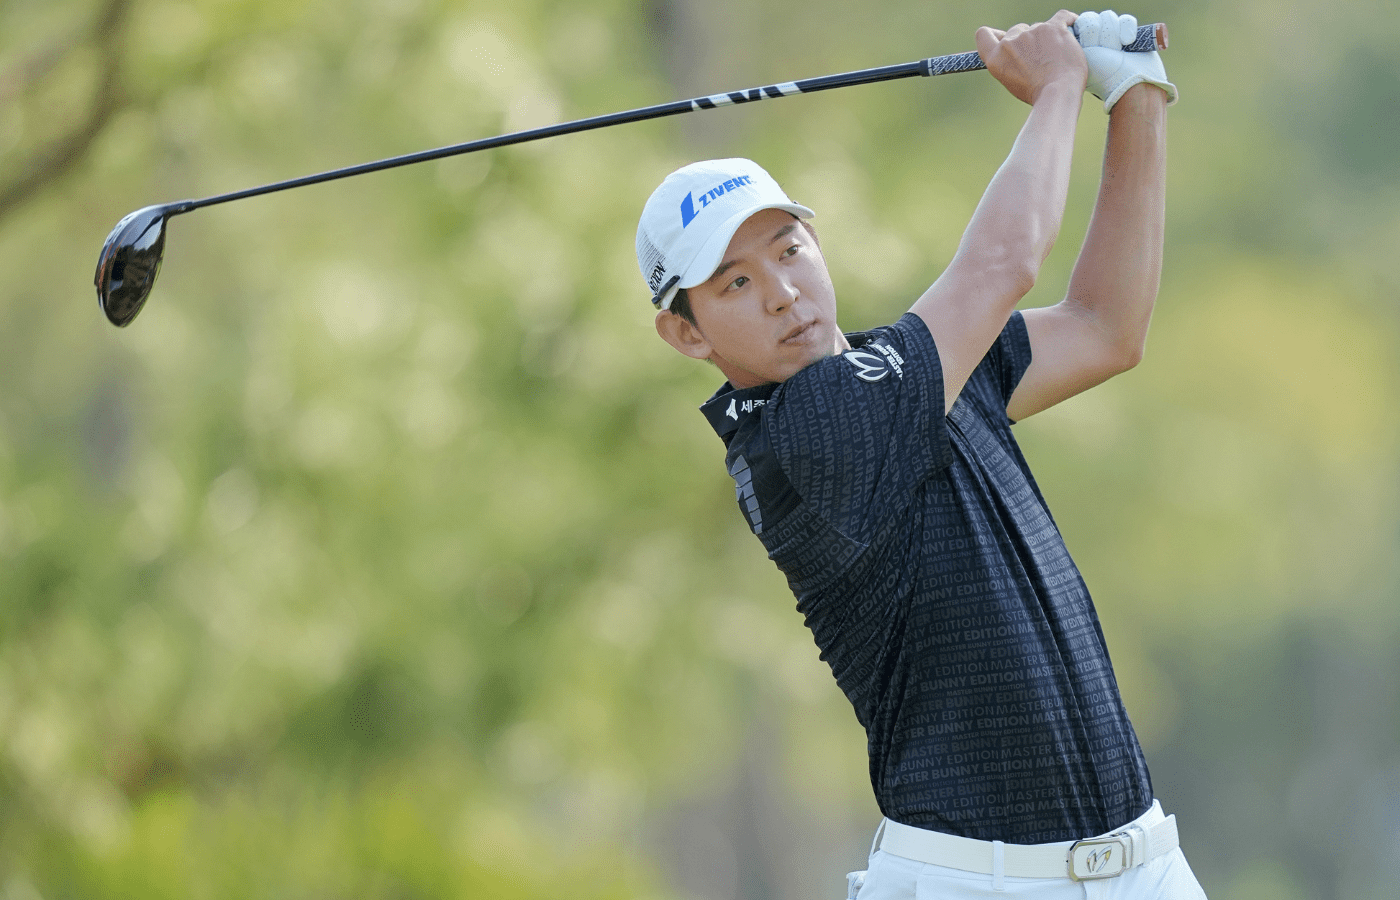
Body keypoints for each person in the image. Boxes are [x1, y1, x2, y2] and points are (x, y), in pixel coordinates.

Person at [635, 9, 1207, 899]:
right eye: (736, 283)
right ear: (686, 334)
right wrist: (1057, 87)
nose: (784, 293)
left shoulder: (906, 372)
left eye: (790, 250)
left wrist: (1135, 95)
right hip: (976, 882)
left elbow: (1105, 328)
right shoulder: (805, 435)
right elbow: (1004, 262)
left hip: (1147, 862)